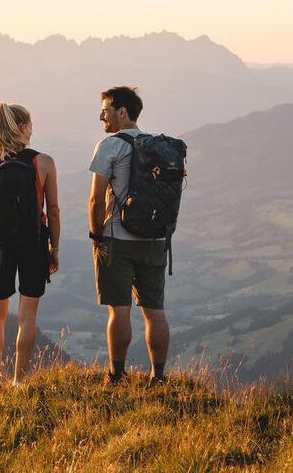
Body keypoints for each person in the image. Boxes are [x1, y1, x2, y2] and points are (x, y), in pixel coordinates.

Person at [0, 102, 62, 391]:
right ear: (21, 127)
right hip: (34, 247)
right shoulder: (44, 162)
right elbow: (55, 210)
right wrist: (55, 248)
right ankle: (19, 380)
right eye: (29, 125)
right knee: (28, 317)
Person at [88, 85, 169, 385]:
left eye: (106, 110)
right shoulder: (157, 146)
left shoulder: (109, 146)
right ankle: (158, 377)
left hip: (117, 240)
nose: (101, 117)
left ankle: (117, 375)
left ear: (122, 112)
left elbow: (96, 199)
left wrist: (97, 237)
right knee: (155, 311)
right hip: (155, 241)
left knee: (119, 310)